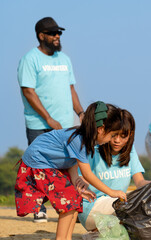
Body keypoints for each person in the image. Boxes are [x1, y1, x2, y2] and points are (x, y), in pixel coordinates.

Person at [15, 101, 128, 240]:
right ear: (101, 129)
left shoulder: (84, 139)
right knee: (68, 201)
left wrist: (75, 181)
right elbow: (87, 174)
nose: (112, 140)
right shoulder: (79, 140)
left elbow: (71, 160)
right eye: (112, 135)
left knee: (75, 198)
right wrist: (112, 192)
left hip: (50, 164)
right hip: (39, 162)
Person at [17, 16, 84, 222]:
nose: (57, 36)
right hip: (39, 123)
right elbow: (28, 91)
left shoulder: (64, 59)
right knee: (38, 167)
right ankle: (38, 208)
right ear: (41, 36)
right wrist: (48, 118)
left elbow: (70, 87)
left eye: (59, 33)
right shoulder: (30, 59)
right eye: (53, 33)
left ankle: (66, 205)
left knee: (67, 164)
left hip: (64, 124)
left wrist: (80, 113)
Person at [78, 108, 151, 232]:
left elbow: (140, 182)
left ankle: (101, 232)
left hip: (117, 206)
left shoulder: (130, 150)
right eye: (114, 135)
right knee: (133, 212)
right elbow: (81, 177)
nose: (117, 140)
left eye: (123, 136)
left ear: (130, 134)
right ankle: (101, 229)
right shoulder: (94, 149)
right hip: (92, 206)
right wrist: (82, 184)